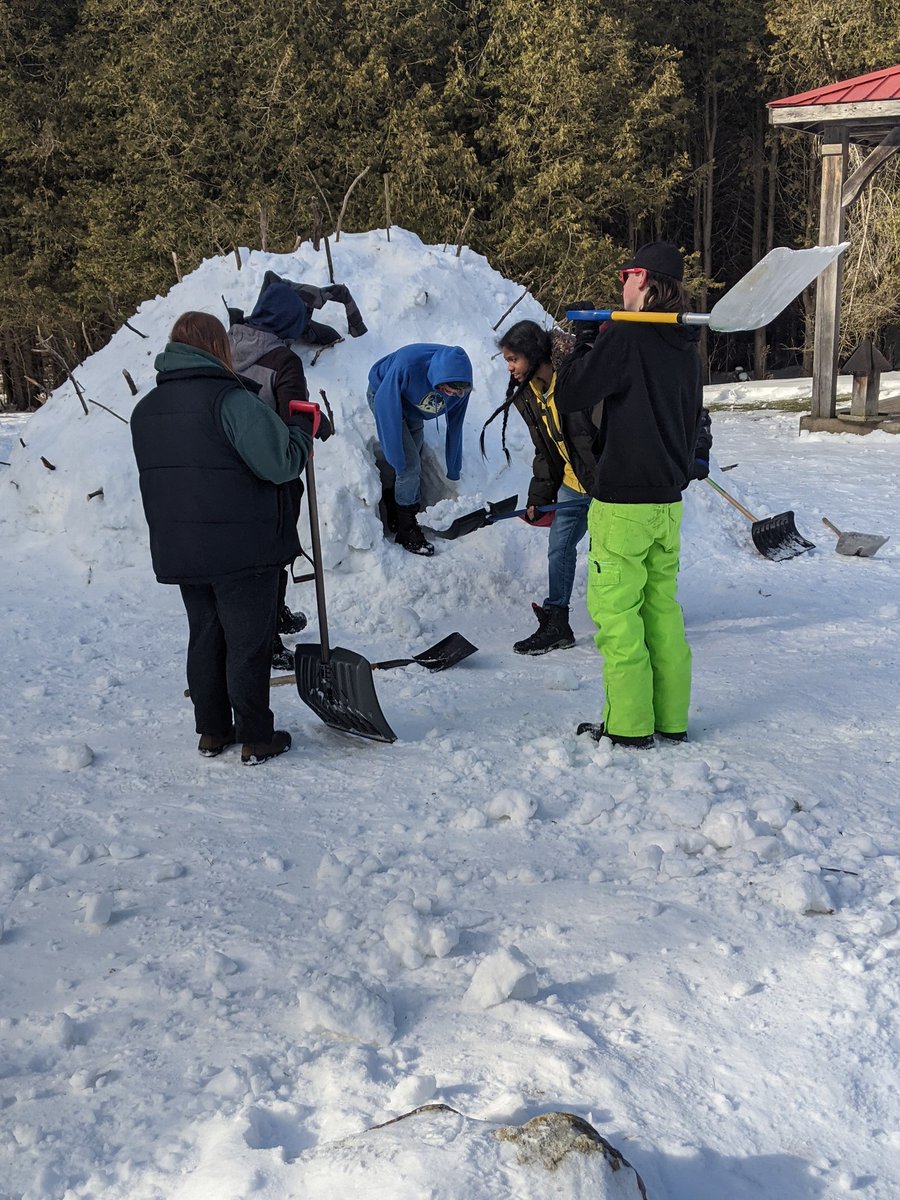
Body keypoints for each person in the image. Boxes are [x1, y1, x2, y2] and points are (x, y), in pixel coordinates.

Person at [130, 311, 320, 764]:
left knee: (205, 635)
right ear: (218, 348)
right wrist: (300, 430)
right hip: (243, 548)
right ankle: (256, 736)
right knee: (248, 642)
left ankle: (212, 731)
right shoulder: (231, 402)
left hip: (182, 548)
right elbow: (280, 463)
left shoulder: (146, 409)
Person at [555, 242, 705, 748]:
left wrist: (583, 344)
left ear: (643, 279)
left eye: (626, 274)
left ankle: (628, 726)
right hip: (667, 502)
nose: (621, 283)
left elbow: (572, 394)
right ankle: (670, 719)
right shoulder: (684, 343)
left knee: (617, 619)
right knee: (661, 612)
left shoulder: (628, 333)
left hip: (623, 506)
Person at [228, 282, 333, 671]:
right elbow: (294, 415)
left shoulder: (223, 345)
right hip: (274, 468)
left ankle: (276, 613)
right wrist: (315, 424)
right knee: (277, 548)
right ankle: (269, 637)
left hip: (228, 467)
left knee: (253, 554)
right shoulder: (283, 361)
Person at [481, 320, 595, 654]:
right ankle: (557, 622)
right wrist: (539, 497)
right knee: (559, 548)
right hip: (573, 485)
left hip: (605, 485)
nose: (510, 367)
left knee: (609, 557)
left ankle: (641, 613)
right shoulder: (527, 393)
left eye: (513, 359)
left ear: (532, 354)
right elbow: (545, 450)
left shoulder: (575, 378)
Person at [367, 343, 473, 556]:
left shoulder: (461, 388)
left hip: (414, 410)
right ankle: (407, 530)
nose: (451, 396)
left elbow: (456, 424)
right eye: (447, 390)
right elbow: (386, 409)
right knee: (408, 466)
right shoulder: (408, 364)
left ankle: (394, 501)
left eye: (455, 393)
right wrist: (397, 460)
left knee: (413, 459)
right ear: (438, 379)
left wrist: (454, 466)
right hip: (385, 396)